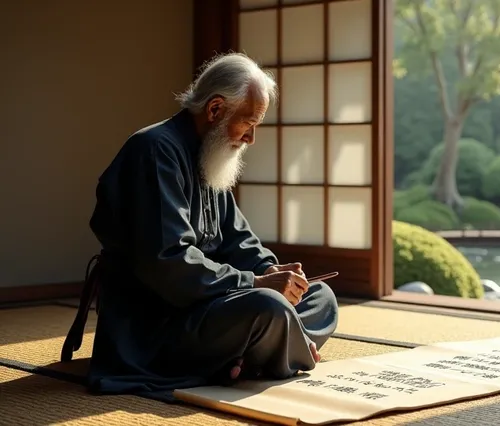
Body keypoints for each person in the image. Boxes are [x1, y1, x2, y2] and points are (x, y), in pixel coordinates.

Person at [60, 53, 339, 396]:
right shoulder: (154, 151)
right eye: (248, 123)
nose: (251, 138)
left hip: (204, 307)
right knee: (269, 307)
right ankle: (282, 353)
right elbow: (169, 262)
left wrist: (272, 270)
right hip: (157, 323)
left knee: (318, 296)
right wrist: (256, 282)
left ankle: (261, 354)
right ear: (215, 110)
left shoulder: (210, 154)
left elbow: (238, 240)